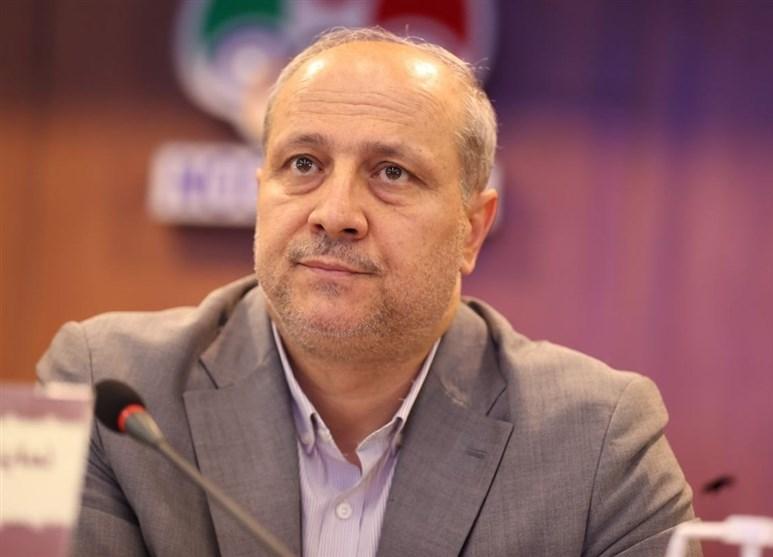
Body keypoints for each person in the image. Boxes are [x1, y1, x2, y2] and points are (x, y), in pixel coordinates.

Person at [38, 27, 700, 557]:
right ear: (261, 191)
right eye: (304, 164)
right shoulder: (109, 392)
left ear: (472, 228)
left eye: (392, 172)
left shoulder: (597, 440)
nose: (335, 213)